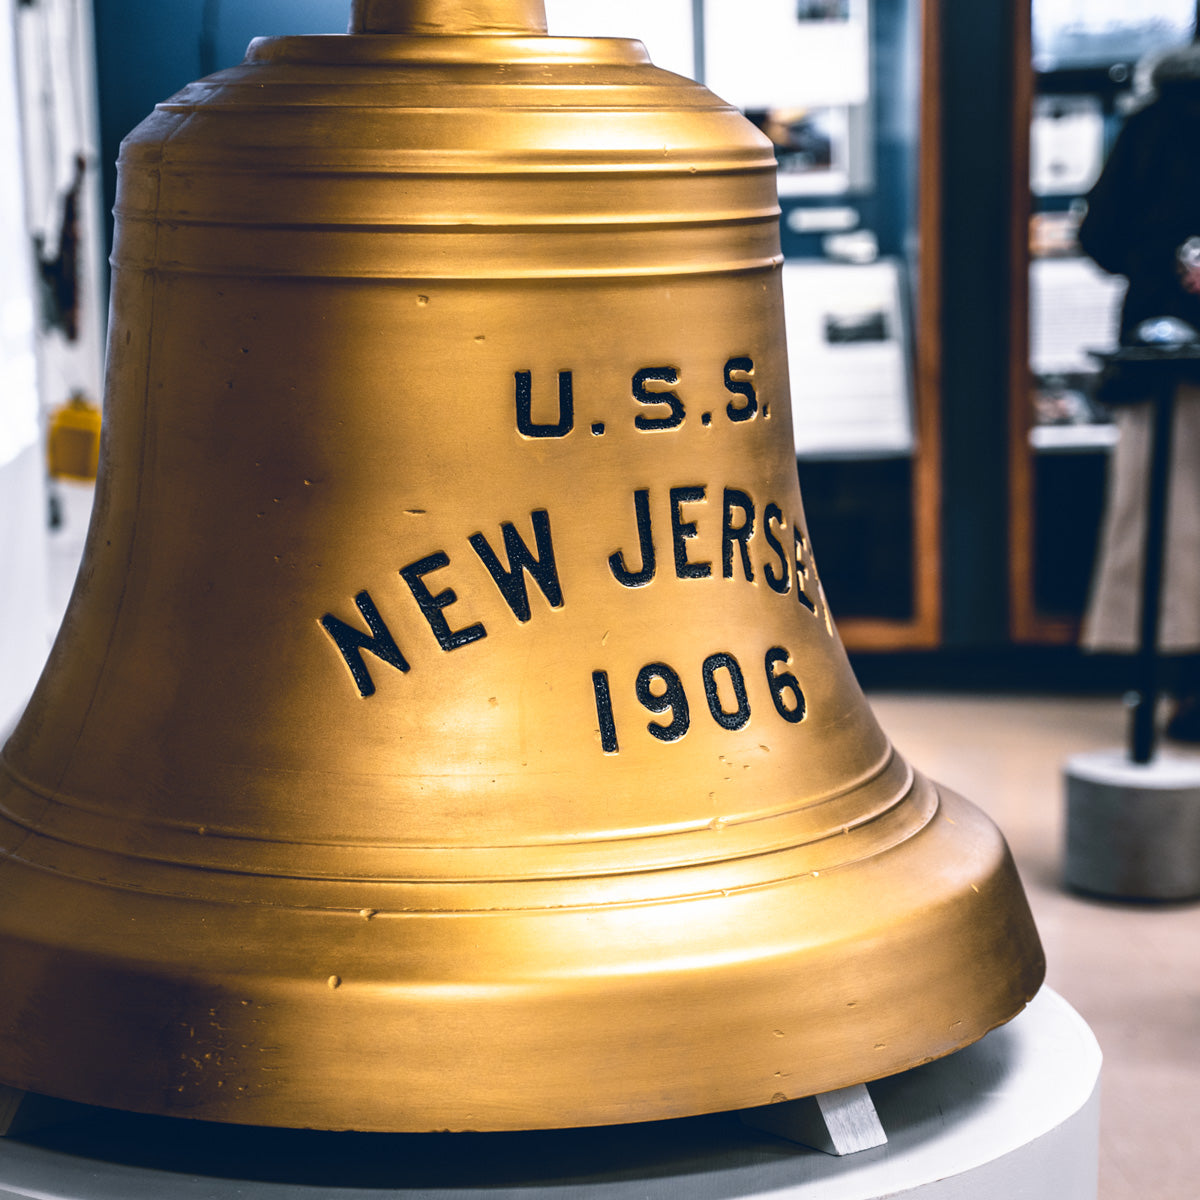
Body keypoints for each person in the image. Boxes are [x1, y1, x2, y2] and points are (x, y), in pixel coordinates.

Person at [1078, 40, 1200, 741]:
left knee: (1169, 522)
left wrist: (1158, 266)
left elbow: (1100, 235)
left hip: (1163, 356)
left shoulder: (1155, 124)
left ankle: (1174, 681)